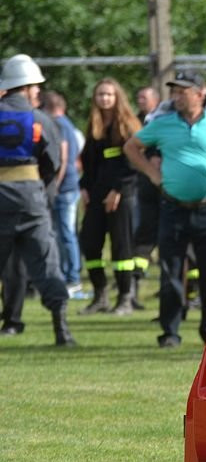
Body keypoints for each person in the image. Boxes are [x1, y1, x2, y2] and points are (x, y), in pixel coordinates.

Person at [123, 71, 206, 348]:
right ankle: (170, 333)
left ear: (200, 94)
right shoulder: (163, 124)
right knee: (171, 273)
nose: (175, 96)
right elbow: (132, 147)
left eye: (182, 91)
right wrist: (153, 174)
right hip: (173, 208)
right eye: (173, 91)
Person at [0, 54, 75, 346]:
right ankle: (62, 331)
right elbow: (53, 162)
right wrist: (39, 191)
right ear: (29, 87)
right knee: (47, 264)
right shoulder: (40, 119)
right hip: (32, 200)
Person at [78, 78, 141, 316]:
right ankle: (100, 295)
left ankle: (125, 297)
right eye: (100, 94)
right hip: (95, 194)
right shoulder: (93, 126)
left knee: (122, 249)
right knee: (90, 243)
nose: (104, 98)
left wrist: (118, 190)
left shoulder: (127, 125)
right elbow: (88, 164)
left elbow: (131, 165)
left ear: (117, 98)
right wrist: (84, 187)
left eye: (109, 95)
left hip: (121, 195)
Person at [42, 90, 84, 297]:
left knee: (66, 234)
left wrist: (54, 186)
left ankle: (73, 279)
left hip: (65, 188)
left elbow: (64, 157)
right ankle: (70, 276)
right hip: (69, 186)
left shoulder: (58, 124)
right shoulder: (67, 124)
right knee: (64, 233)